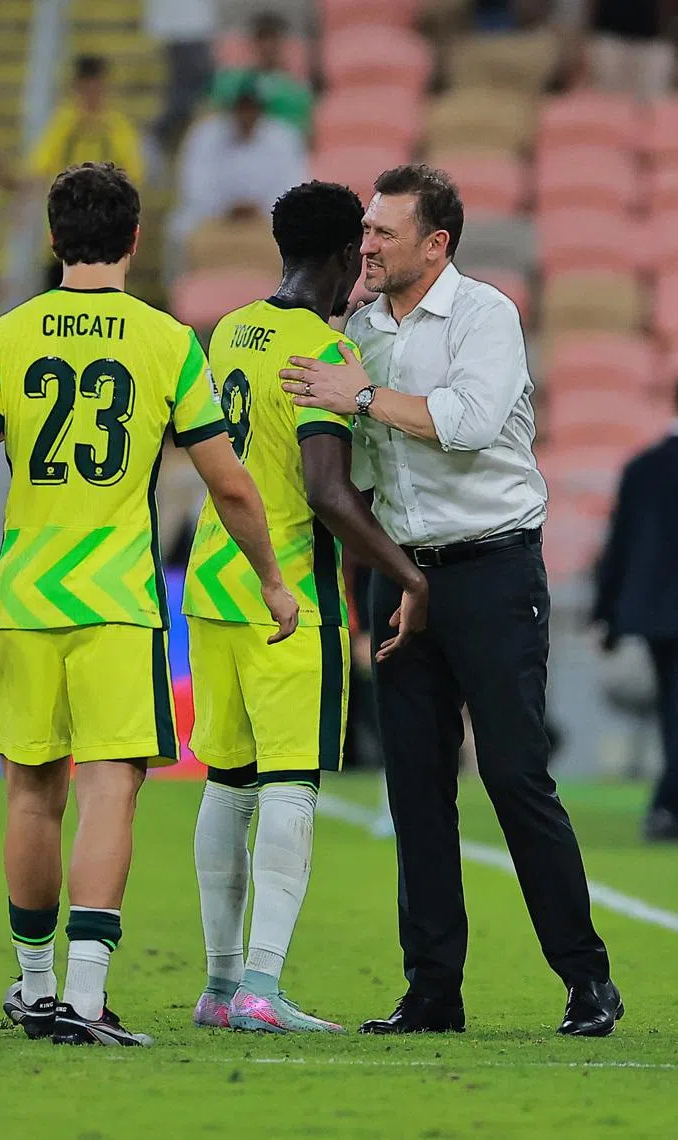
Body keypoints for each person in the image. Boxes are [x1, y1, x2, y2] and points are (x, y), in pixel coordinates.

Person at [0, 162, 297, 1046]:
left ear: (53, 241)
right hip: (118, 603)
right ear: (134, 241)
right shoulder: (166, 342)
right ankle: (85, 999)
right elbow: (229, 483)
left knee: (29, 797)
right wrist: (273, 577)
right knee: (110, 794)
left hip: (25, 600)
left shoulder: (2, 338)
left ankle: (33, 984)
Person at [280, 164, 620, 1038]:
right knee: (416, 792)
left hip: (493, 570)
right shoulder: (356, 328)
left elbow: (467, 424)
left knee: (512, 774)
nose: (368, 245)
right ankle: (433, 992)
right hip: (403, 574)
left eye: (385, 233)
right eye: (365, 231)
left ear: (437, 244)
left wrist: (357, 395)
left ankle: (587, 980)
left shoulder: (485, 315)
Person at [184, 181, 428, 1036]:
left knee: (227, 783)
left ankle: (218, 988)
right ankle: (260, 986)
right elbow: (326, 490)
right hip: (289, 593)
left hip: (214, 582)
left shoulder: (232, 331)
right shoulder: (322, 353)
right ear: (338, 258)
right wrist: (407, 574)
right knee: (290, 785)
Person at [593, 395, 678, 842]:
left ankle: (667, 806)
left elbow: (620, 545)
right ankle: (666, 805)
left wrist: (606, 614)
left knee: (672, 709)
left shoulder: (643, 467)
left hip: (657, 616)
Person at [168, 84, 307, 276]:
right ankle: (179, 299)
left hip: (267, 216)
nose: (246, 114)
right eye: (242, 108)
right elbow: (195, 186)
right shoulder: (205, 134)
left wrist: (261, 208)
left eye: (252, 108)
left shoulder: (282, 137)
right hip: (215, 214)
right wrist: (226, 208)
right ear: (232, 109)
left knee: (302, 231)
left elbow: (292, 187)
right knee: (177, 230)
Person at [28, 56, 144, 188]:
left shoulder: (118, 126)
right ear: (77, 87)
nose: (92, 95)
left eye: (96, 89)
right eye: (87, 89)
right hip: (67, 201)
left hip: (104, 202)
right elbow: (39, 170)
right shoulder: (62, 125)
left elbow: (133, 174)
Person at [211, 11, 313, 137]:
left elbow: (302, 130)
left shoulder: (296, 91)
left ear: (283, 43)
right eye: (262, 38)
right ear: (252, 43)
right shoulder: (233, 82)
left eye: (273, 38)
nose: (267, 46)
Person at [145, 0, 217, 147]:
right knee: (187, 92)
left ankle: (163, 132)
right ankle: (160, 132)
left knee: (192, 92)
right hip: (180, 28)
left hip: (191, 27)